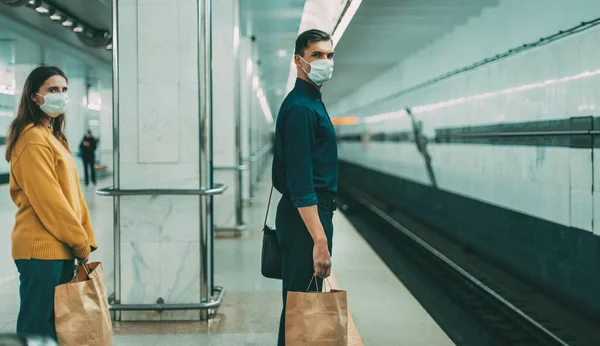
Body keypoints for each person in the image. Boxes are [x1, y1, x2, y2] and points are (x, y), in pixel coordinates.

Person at [4, 65, 98, 341]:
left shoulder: (51, 136)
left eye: (64, 90)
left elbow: (73, 196)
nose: (61, 95)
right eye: (52, 90)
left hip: (59, 247)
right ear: (34, 96)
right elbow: (51, 202)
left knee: (53, 327)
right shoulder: (33, 138)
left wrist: (82, 238)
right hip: (41, 249)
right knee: (37, 328)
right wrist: (80, 241)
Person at [271, 29, 338, 345]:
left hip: (307, 216)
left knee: (302, 305)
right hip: (305, 219)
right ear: (299, 61)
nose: (326, 61)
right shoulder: (301, 108)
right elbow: (301, 182)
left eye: (329, 55)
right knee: (302, 304)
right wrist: (320, 239)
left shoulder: (310, 101)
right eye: (317, 55)